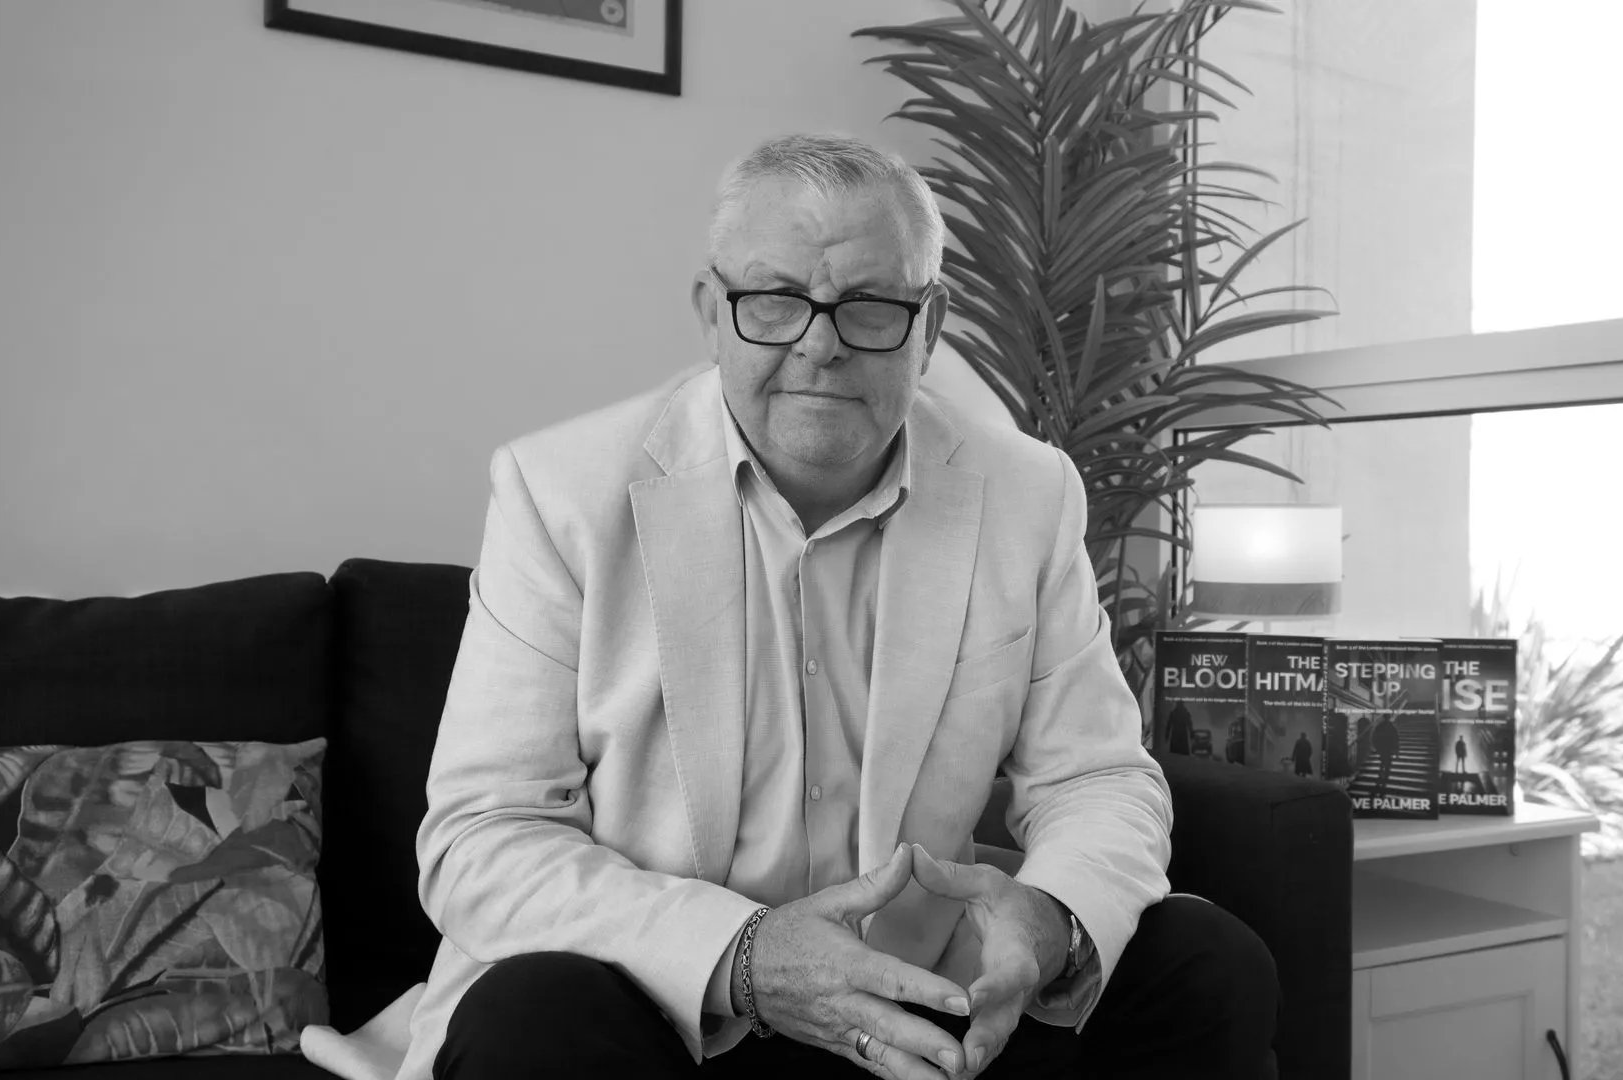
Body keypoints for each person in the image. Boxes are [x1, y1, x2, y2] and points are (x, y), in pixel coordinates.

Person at [391, 134, 1280, 1080]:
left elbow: (1097, 779)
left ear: (930, 324)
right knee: (534, 1015)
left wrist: (1050, 918)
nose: (818, 344)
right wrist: (746, 955)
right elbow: (480, 838)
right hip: (669, 1011)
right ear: (712, 313)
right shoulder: (560, 491)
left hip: (928, 1010)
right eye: (774, 300)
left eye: (868, 306)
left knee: (1204, 960)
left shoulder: (1028, 494)